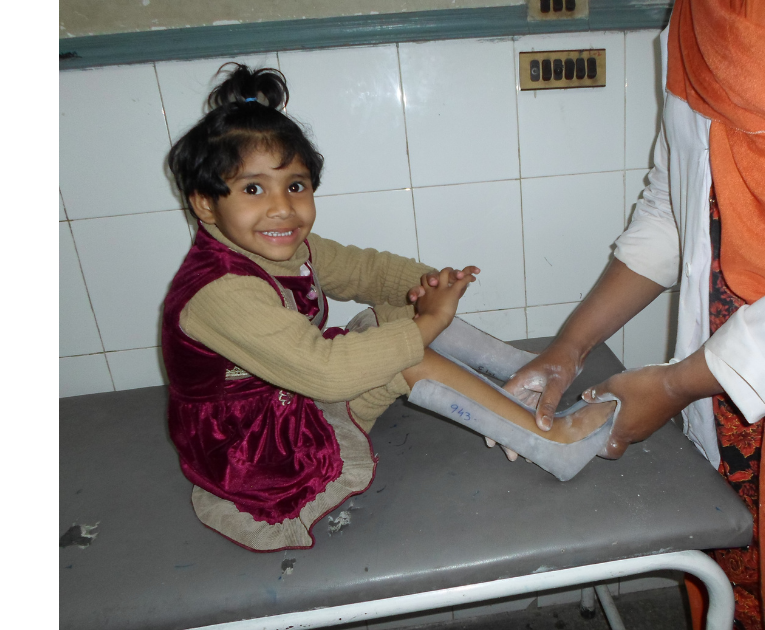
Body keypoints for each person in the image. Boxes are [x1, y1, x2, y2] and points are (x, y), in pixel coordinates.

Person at [501, 1, 765, 629]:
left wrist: (670, 384)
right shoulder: (690, 20)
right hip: (721, 389)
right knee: (740, 587)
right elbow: (674, 208)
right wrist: (568, 347)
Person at [161, 64, 614, 552]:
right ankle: (552, 443)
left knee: (396, 320)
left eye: (295, 185)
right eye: (253, 189)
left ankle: (530, 378)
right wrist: (431, 320)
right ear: (205, 205)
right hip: (256, 446)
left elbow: (366, 271)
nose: (282, 208)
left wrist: (427, 283)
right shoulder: (220, 292)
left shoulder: (286, 245)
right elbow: (328, 374)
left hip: (288, 391)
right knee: (408, 350)